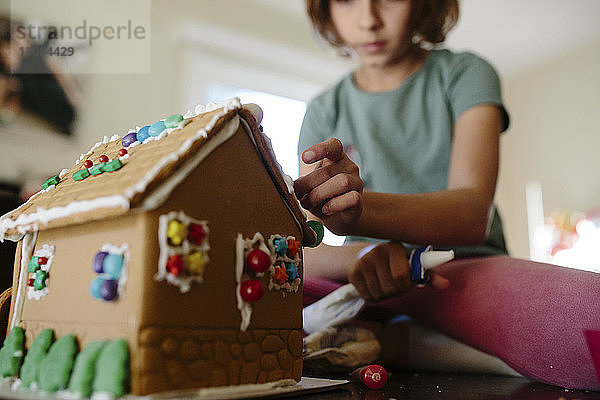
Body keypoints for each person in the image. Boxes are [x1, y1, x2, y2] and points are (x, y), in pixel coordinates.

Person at [295, 0, 600, 391]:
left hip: (460, 269)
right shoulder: (322, 109)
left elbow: (471, 214)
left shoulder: (466, 73)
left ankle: (388, 342)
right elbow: (303, 247)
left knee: (587, 316)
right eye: (347, 0)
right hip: (367, 279)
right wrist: (361, 253)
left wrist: (360, 210)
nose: (368, 20)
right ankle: (402, 339)